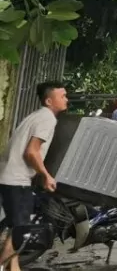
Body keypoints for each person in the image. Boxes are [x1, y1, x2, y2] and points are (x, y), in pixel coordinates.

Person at [0, 80, 68, 271]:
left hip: (7, 177)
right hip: (17, 180)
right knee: (21, 233)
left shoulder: (35, 116)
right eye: (62, 96)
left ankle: (13, 268)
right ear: (48, 101)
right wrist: (46, 175)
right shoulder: (47, 119)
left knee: (15, 229)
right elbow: (31, 152)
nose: (66, 99)